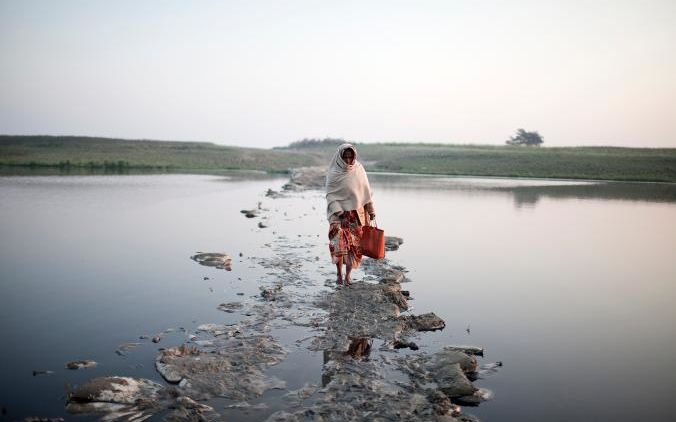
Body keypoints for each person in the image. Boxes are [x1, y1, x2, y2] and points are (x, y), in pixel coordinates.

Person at [326, 143, 376, 285]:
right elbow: (330, 196)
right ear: (340, 157)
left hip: (356, 216)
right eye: (345, 157)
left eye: (350, 157)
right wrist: (339, 212)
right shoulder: (333, 172)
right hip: (338, 216)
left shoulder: (359, 170)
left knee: (354, 248)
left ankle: (348, 276)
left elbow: (366, 193)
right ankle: (339, 274)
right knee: (339, 246)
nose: (348, 160)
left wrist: (371, 211)